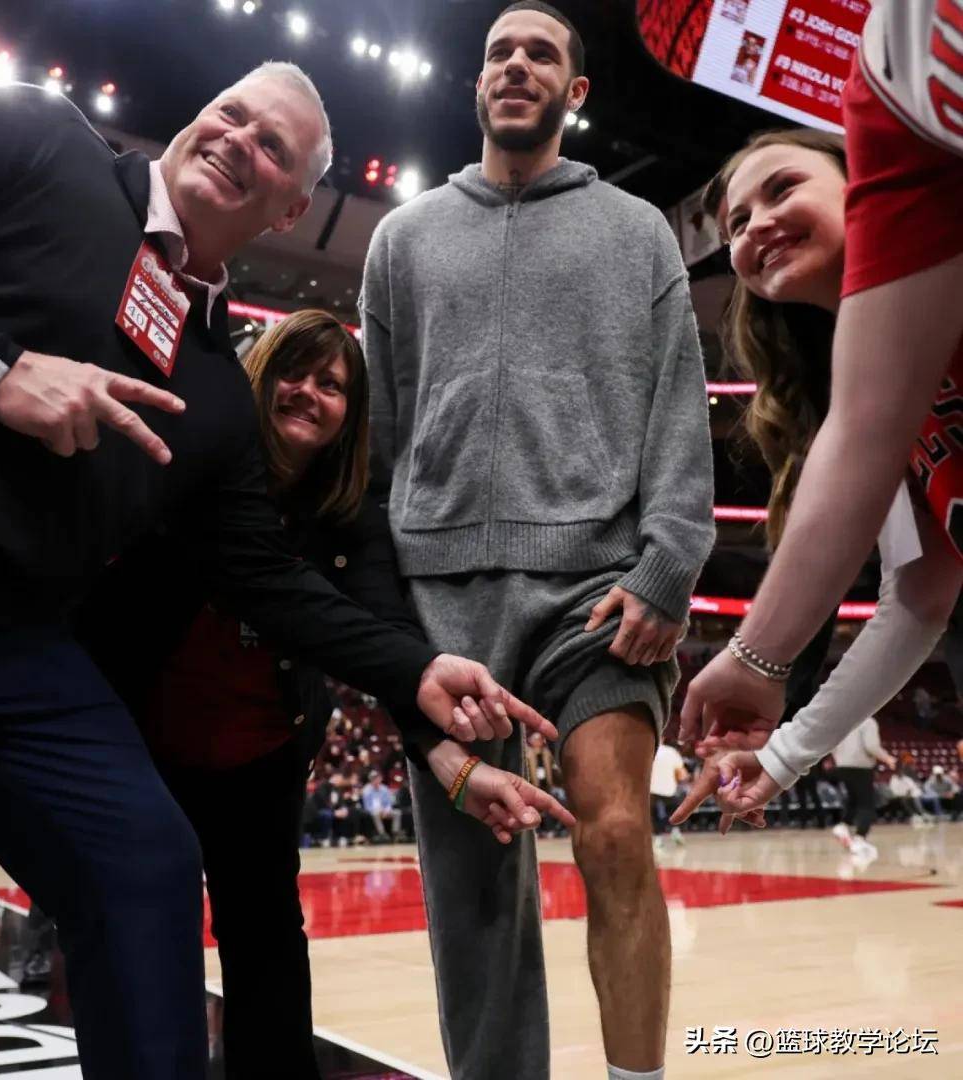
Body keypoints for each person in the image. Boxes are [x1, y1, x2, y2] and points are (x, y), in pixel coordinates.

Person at [0, 68, 556, 1079]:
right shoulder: (40, 135)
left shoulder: (216, 394)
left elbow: (268, 580)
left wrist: (417, 674)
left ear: (292, 206)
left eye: (275, 146)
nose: (242, 138)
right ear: (193, 115)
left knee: (148, 863)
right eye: (232, 113)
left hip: (9, 643)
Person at [360, 5, 715, 1077]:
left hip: (596, 591)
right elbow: (377, 439)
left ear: (576, 92)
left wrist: (668, 562)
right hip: (439, 596)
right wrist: (381, 603)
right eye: (498, 53)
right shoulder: (401, 239)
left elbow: (677, 409)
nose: (516, 65)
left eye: (541, 54)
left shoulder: (638, 231)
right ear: (477, 88)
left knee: (613, 830)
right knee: (471, 898)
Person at [85, 308, 573, 1077]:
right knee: (149, 936)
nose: (308, 391)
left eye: (332, 384)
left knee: (270, 950)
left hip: (261, 762)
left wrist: (452, 765)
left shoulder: (350, 522)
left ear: (351, 415)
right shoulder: (192, 467)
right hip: (145, 749)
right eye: (293, 372)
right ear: (258, 375)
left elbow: (385, 641)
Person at [679, 1, 963, 755]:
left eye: (781, 189)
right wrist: (782, 759)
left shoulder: (926, 166)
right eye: (736, 225)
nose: (755, 227)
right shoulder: (857, 402)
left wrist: (751, 654)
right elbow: (920, 594)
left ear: (859, 178)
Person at [828, 716, 896, 861]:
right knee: (866, 804)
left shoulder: (841, 721)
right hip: (861, 767)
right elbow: (871, 746)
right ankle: (860, 839)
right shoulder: (867, 721)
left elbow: (831, 745)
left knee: (854, 800)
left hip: (842, 765)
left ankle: (843, 825)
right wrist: (888, 758)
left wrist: (840, 759)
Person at [649, 741, 689, 851]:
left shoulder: (647, 751)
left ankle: (658, 839)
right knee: (675, 812)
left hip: (652, 789)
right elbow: (681, 774)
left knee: (655, 815)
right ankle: (676, 832)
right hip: (669, 789)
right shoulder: (671, 752)